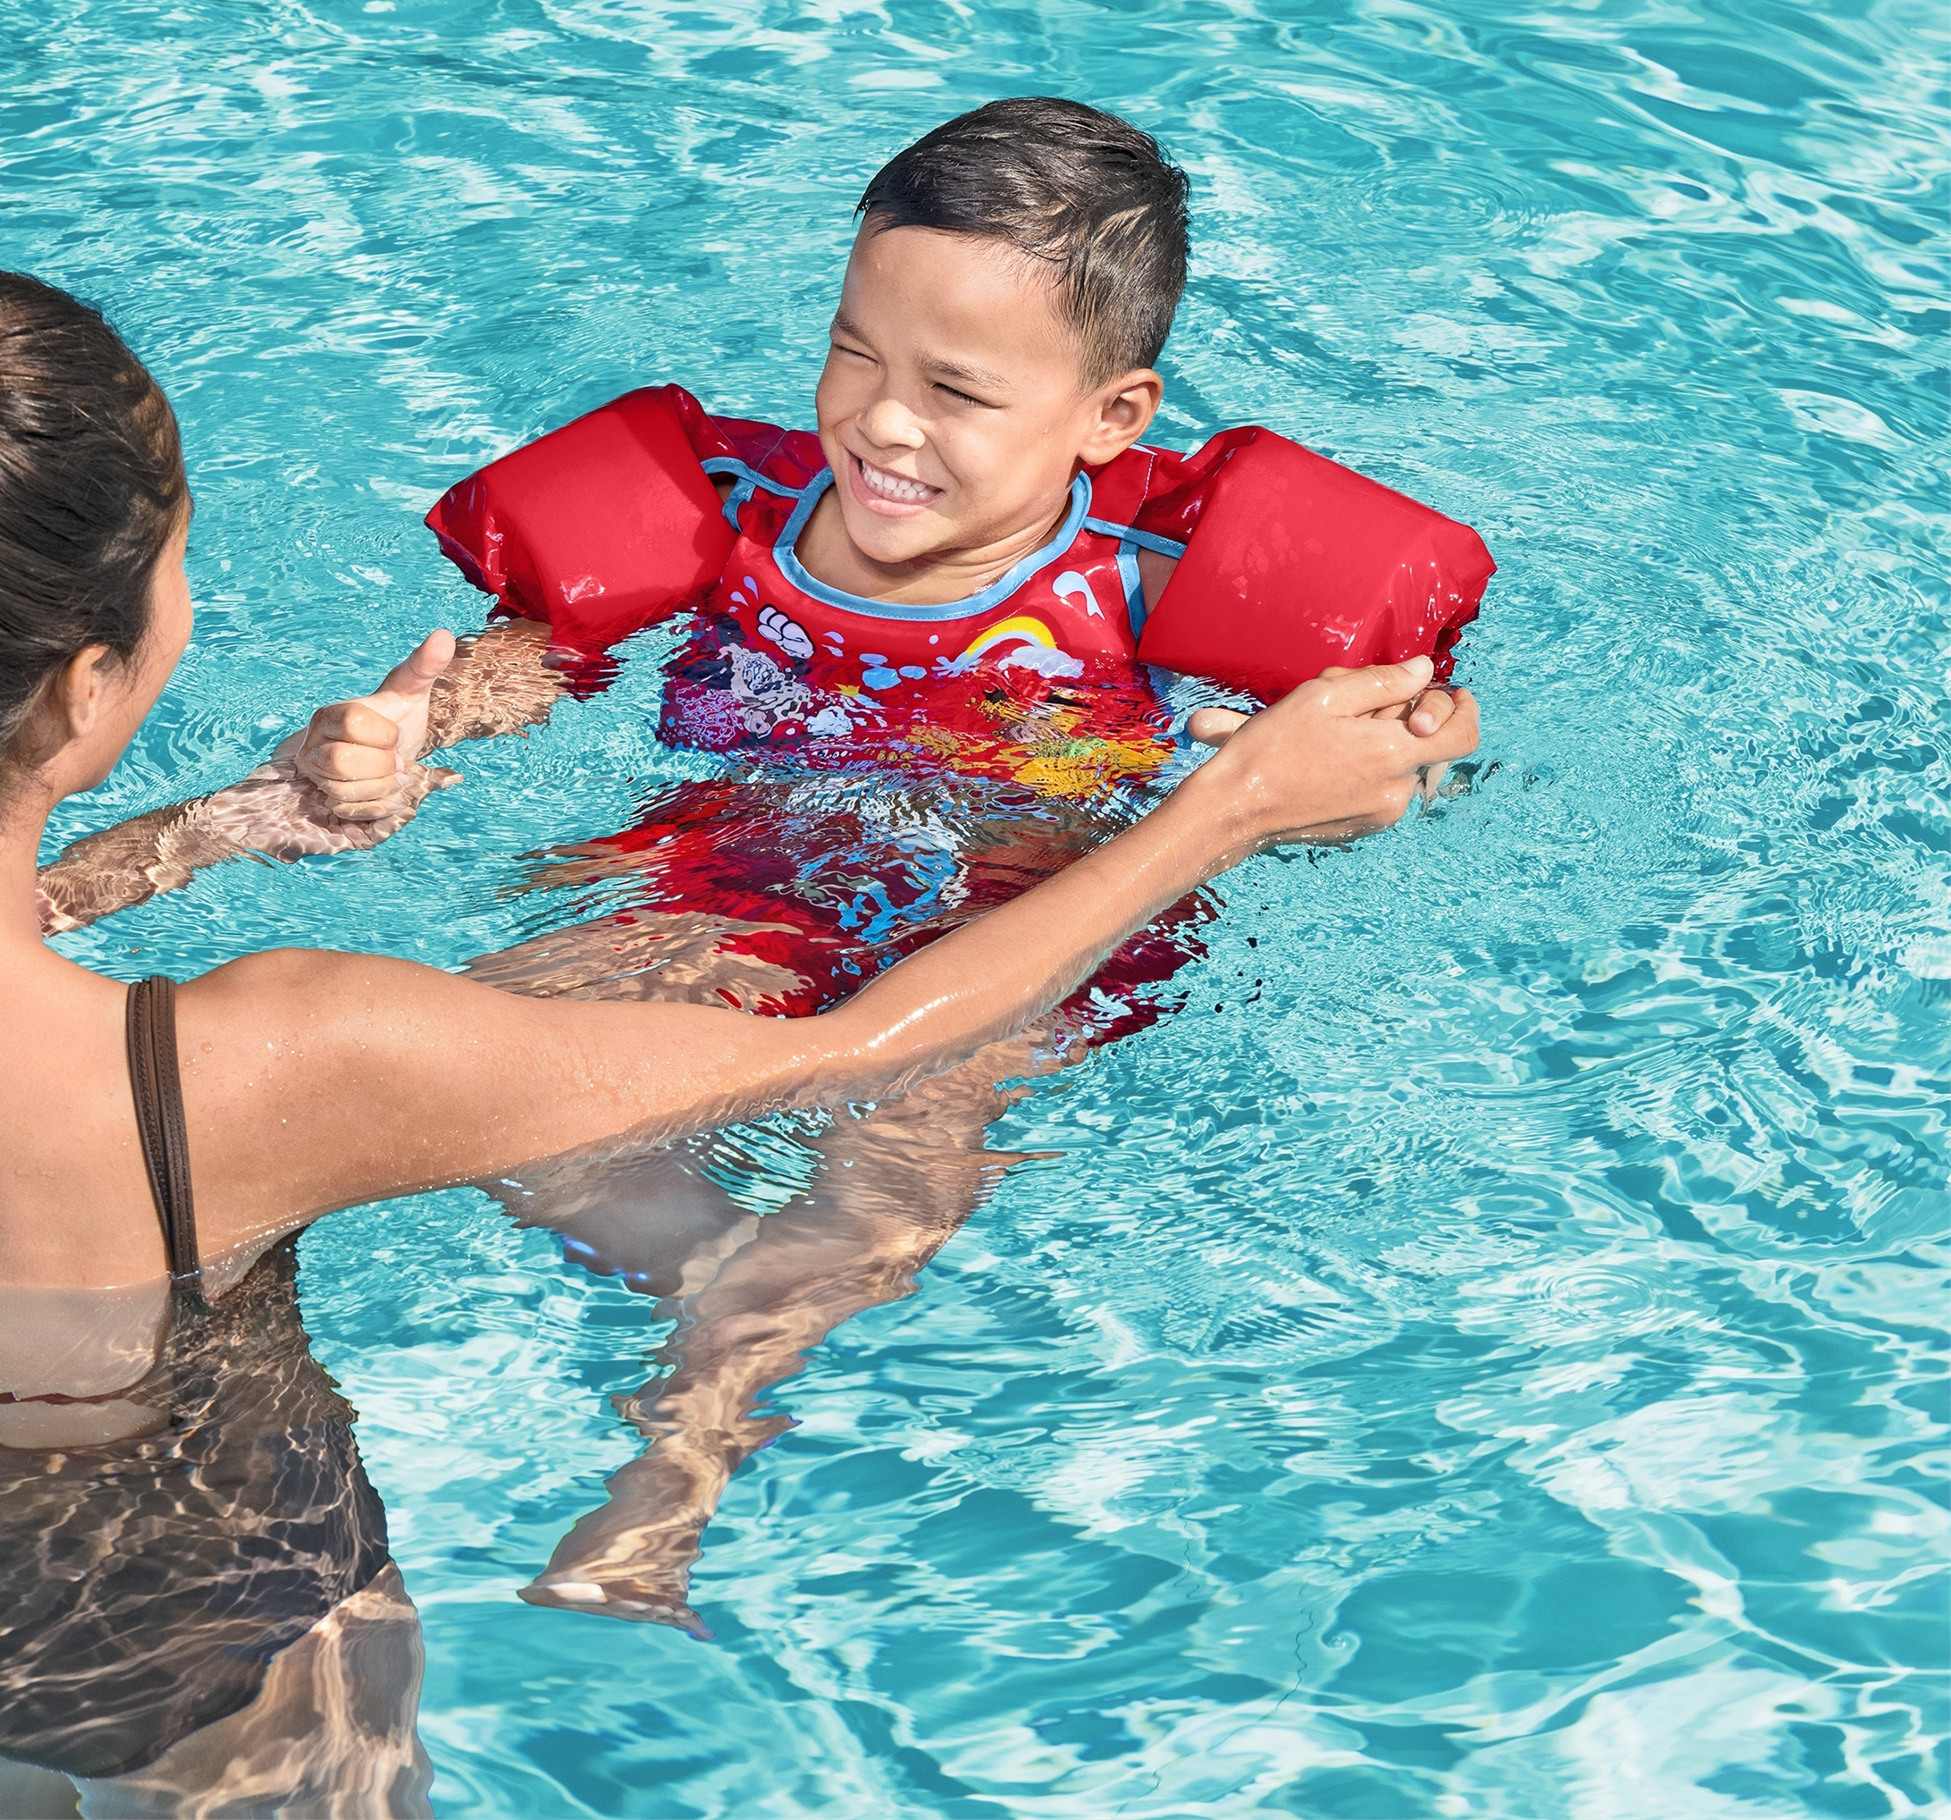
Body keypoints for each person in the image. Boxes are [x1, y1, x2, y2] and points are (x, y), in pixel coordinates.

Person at [0, 228, 1476, 1809]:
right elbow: (859, 1044)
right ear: (94, 679)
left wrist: (204, 832)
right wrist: (1231, 803)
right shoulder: (263, 1067)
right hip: (204, 1666)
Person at [272, 99, 1479, 1631]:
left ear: (1113, 418)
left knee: (903, 1154)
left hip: (1036, 901)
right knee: (504, 1066)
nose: (883, 423)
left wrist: (1411, 752)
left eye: (959, 391)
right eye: (857, 351)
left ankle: (681, 1461)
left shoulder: (1152, 587)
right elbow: (510, 669)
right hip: (746, 865)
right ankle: (732, 1281)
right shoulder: (738, 517)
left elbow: (1403, 736)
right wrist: (403, 722)